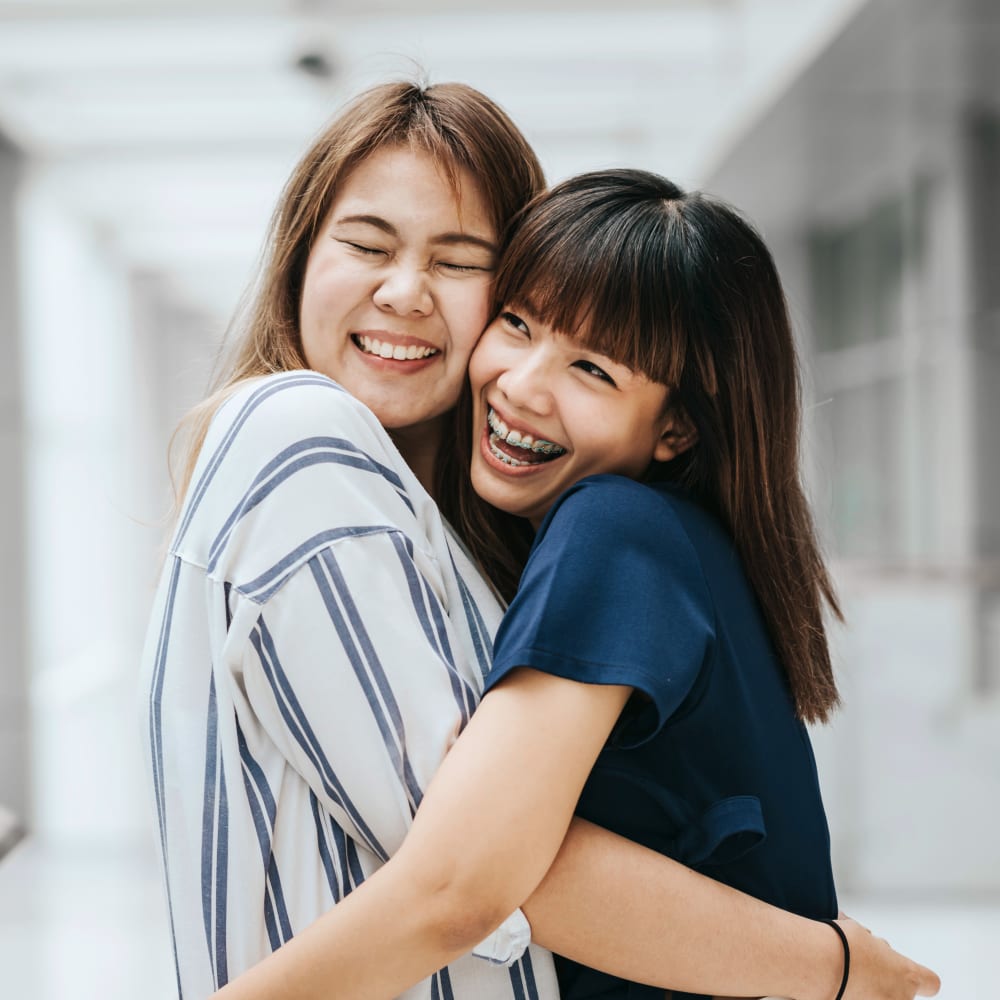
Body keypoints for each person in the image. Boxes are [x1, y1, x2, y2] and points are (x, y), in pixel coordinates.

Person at [142, 79, 938, 1000]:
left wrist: (838, 970)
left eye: (591, 367)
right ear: (299, 257)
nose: (522, 383)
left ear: (676, 429)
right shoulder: (321, 443)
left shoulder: (611, 530)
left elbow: (462, 878)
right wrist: (834, 966)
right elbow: (469, 869)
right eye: (520, 325)